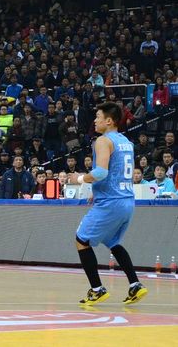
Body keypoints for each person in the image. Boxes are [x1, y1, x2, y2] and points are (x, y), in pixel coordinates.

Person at [69, 102, 148, 305]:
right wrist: (97, 192)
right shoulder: (126, 142)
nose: (94, 120)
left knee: (81, 240)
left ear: (109, 121)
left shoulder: (103, 140)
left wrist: (77, 178)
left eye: (97, 116)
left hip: (111, 203)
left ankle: (97, 289)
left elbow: (102, 172)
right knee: (112, 241)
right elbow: (117, 172)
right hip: (127, 201)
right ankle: (135, 285)